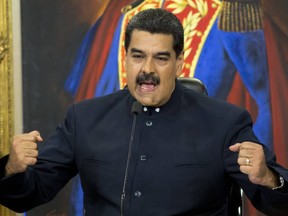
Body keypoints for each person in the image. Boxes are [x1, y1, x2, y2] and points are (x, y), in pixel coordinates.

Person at [0, 8, 288, 216]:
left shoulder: (225, 123)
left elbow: (278, 202)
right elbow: (28, 196)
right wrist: (12, 169)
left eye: (160, 58)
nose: (147, 70)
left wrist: (269, 178)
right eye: (138, 56)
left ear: (178, 64)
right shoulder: (85, 119)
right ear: (126, 57)